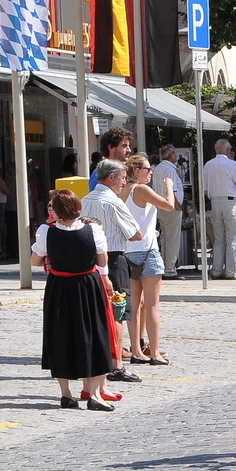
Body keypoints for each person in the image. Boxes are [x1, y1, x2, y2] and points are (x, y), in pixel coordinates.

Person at [32, 188, 114, 409]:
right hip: (88, 285)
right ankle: (94, 394)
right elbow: (103, 261)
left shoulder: (46, 231)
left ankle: (66, 393)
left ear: (56, 211)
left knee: (60, 335)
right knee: (95, 334)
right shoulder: (93, 230)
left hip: (59, 286)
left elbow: (35, 261)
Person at [80, 159, 144, 382]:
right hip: (113, 258)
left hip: (88, 261)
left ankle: (97, 361)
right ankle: (116, 365)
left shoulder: (85, 200)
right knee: (117, 311)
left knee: (96, 312)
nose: (125, 182)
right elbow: (136, 233)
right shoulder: (113, 202)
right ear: (111, 178)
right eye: (123, 177)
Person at [123, 155, 177, 365]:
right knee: (152, 305)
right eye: (147, 169)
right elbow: (168, 205)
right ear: (136, 171)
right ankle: (154, 351)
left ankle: (136, 349)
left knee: (135, 305)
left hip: (129, 251)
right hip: (147, 250)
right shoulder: (141, 189)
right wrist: (169, 187)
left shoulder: (123, 190)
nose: (151, 172)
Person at [201, 139, 236, 280]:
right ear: (228, 150)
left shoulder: (208, 165)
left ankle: (216, 270)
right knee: (231, 238)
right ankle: (231, 271)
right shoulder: (231, 164)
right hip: (229, 202)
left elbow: (205, 188)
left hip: (215, 202)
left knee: (218, 239)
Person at [152, 145, 186, 277]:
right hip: (171, 206)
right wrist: (177, 206)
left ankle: (165, 266)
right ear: (172, 155)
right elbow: (172, 191)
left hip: (160, 206)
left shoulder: (159, 168)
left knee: (166, 239)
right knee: (173, 239)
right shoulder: (170, 170)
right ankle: (170, 269)